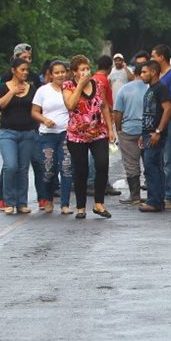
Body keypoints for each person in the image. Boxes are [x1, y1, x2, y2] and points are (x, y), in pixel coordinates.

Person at [63, 54, 115, 220]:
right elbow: (70, 105)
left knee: (102, 164)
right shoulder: (68, 85)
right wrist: (80, 86)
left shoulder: (98, 84)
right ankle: (80, 207)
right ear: (74, 72)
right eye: (82, 70)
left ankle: (99, 203)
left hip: (98, 132)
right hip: (77, 135)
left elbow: (105, 107)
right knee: (81, 170)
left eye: (87, 69)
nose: (86, 72)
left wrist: (110, 129)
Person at [0, 58, 38, 215]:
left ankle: (22, 202)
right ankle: (9, 201)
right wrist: (12, 92)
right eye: (22, 69)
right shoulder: (3, 87)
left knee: (23, 168)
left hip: (27, 132)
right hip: (8, 132)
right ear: (13, 70)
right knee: (10, 165)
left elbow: (36, 108)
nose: (25, 72)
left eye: (27, 70)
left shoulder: (32, 88)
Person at [32, 60, 72, 214]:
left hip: (66, 134)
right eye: (57, 72)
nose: (60, 75)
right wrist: (44, 120)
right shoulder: (43, 91)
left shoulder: (71, 89)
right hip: (47, 134)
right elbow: (34, 111)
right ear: (51, 74)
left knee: (66, 167)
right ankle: (48, 198)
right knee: (48, 168)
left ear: (67, 72)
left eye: (63, 72)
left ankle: (65, 203)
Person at [136, 59, 171, 214]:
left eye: (145, 72)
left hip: (155, 134)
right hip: (147, 133)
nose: (142, 75)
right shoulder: (150, 89)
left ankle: (155, 201)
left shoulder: (161, 88)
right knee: (151, 167)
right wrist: (142, 134)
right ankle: (156, 199)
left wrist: (158, 131)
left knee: (152, 167)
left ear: (153, 72)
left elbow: (168, 109)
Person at [151, 45, 171, 208]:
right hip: (159, 121)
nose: (152, 59)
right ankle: (164, 191)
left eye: (153, 56)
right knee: (161, 159)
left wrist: (167, 112)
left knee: (170, 159)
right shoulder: (161, 75)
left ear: (162, 57)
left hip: (170, 122)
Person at [112, 59, 147, 206]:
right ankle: (154, 194)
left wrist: (119, 129)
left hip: (128, 130)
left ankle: (135, 195)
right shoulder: (150, 88)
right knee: (150, 163)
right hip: (146, 130)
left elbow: (117, 112)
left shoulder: (125, 89)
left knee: (131, 165)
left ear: (134, 73)